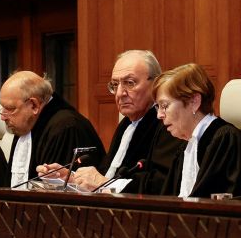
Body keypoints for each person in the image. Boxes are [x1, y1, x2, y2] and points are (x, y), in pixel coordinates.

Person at [47, 50, 184, 194]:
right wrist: (72, 178)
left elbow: (161, 184)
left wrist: (104, 183)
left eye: (129, 83)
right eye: (115, 85)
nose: (120, 94)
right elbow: (108, 176)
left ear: (155, 84)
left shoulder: (166, 124)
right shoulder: (125, 125)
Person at [157, 63, 241, 199]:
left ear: (194, 102)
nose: (159, 115)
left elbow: (224, 205)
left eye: (164, 106)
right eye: (158, 107)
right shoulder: (187, 146)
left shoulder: (225, 139)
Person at [0, 70, 105, 189]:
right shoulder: (25, 123)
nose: (3, 117)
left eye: (10, 108)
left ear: (34, 105)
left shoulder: (66, 127)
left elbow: (59, 194)